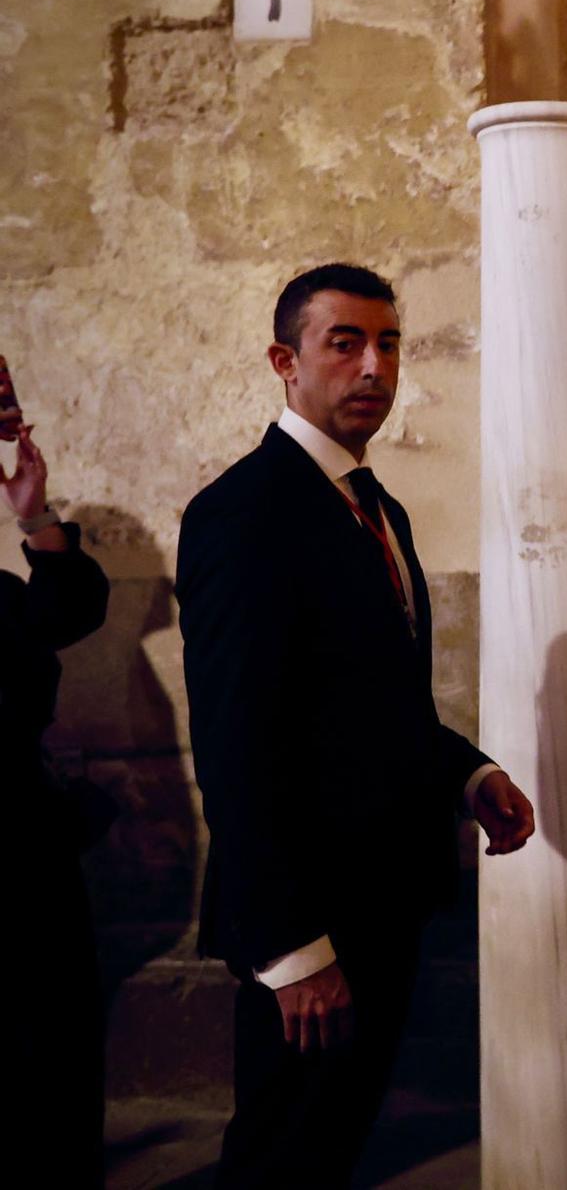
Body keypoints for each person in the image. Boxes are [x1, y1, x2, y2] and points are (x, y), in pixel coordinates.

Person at [176, 263, 537, 1187]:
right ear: (284, 362)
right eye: (344, 343)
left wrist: (469, 773)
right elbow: (236, 746)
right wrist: (292, 951)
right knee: (280, 1157)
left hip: (383, 899)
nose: (373, 367)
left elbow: (372, 703)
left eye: (388, 344)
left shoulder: (378, 509)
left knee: (333, 1146)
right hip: (310, 916)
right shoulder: (244, 513)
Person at [4, 421, 112, 1186]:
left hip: (23, 848)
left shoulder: (0, 597)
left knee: (55, 1055)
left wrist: (35, 516)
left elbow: (68, 611)